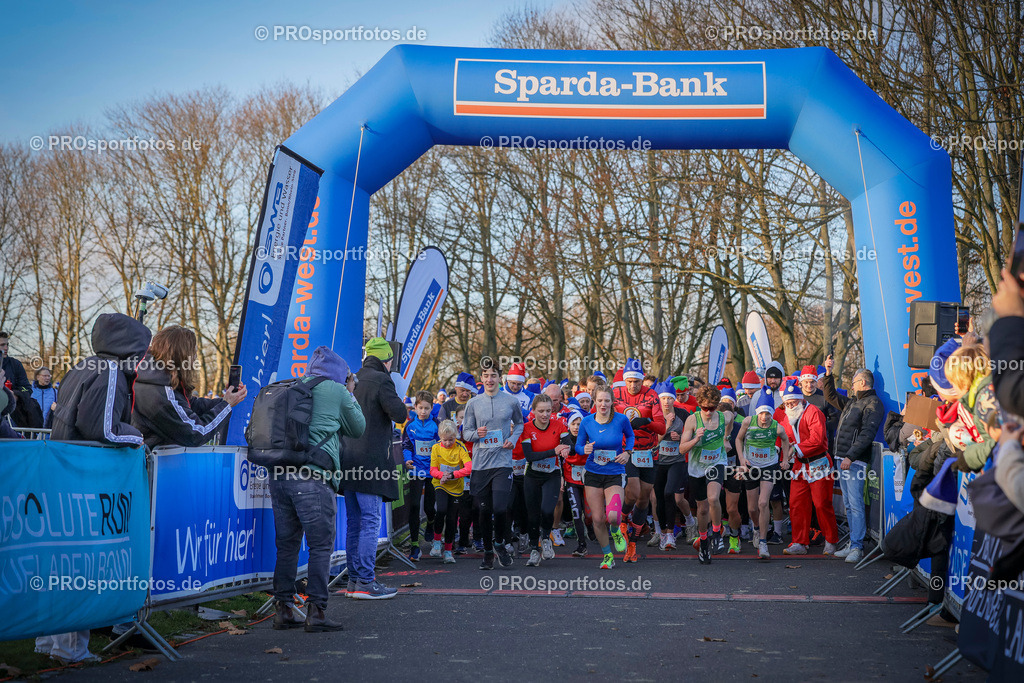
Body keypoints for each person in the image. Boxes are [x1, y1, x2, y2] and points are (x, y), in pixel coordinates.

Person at [270, 346, 365, 630]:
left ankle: (283, 609)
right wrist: (349, 391)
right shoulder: (337, 391)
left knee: (286, 546)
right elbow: (358, 427)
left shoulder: (294, 387)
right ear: (340, 375)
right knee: (320, 546)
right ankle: (317, 612)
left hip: (280, 475)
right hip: (313, 477)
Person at [341, 337, 407, 599]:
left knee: (354, 523)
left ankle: (354, 581)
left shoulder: (352, 377)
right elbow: (399, 414)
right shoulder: (382, 380)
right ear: (385, 360)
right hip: (371, 462)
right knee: (370, 521)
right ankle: (366, 582)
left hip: (347, 459)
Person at [131, 326, 245, 448]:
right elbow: (196, 434)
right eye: (193, 353)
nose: (195, 358)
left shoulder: (155, 379)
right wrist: (226, 405)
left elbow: (188, 405)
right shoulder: (161, 394)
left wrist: (226, 400)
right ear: (182, 356)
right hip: (149, 463)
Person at [463, 359, 525, 570]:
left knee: (500, 508)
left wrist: (513, 439)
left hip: (502, 463)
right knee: (483, 511)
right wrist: (475, 434)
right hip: (480, 465)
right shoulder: (473, 403)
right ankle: (488, 552)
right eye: (486, 375)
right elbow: (465, 432)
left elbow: (520, 424)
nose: (490, 379)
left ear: (500, 378)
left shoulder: (510, 402)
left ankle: (500, 543)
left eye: (493, 375)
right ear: (481, 378)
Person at [821, 358, 884, 563]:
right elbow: (830, 396)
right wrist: (828, 373)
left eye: (854, 382)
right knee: (849, 504)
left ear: (863, 383)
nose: (852, 386)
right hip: (842, 458)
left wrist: (850, 456)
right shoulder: (852, 402)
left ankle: (857, 547)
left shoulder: (873, 403)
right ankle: (853, 543)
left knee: (855, 504)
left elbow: (868, 434)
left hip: (853, 460)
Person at [777, 380, 839, 556]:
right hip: (799, 465)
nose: (789, 406)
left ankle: (831, 540)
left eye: (792, 403)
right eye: (787, 403)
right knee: (796, 504)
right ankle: (799, 542)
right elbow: (782, 437)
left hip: (818, 462)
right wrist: (780, 452)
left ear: (800, 399)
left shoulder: (814, 412)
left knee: (821, 504)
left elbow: (818, 439)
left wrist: (794, 449)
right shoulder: (785, 415)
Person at [576, 386, 634, 569]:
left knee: (614, 516)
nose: (603, 404)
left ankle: (616, 530)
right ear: (594, 401)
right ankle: (608, 555)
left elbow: (631, 436)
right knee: (598, 519)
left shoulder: (621, 419)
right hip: (593, 473)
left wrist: (628, 453)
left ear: (612, 402)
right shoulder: (586, 422)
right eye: (600, 400)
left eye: (607, 400)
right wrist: (583, 449)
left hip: (614, 473)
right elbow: (578, 445)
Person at [614, 358, 665, 563]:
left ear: (642, 380)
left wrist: (648, 422)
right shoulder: (616, 395)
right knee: (632, 490)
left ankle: (632, 544)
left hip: (649, 453)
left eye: (637, 381)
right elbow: (597, 415)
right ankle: (622, 520)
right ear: (624, 381)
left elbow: (662, 428)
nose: (633, 385)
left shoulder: (651, 395)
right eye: (629, 381)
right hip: (628, 451)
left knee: (644, 498)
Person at [679, 385, 734, 564]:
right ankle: (703, 543)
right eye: (705, 408)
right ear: (699, 405)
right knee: (702, 509)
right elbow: (681, 449)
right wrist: (695, 439)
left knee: (713, 498)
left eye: (712, 408)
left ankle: (717, 532)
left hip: (716, 463)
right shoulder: (692, 420)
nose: (708, 412)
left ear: (717, 405)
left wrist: (726, 438)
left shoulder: (723, 416)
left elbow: (731, 417)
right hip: (696, 468)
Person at [736, 394, 792, 560]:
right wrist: (741, 460)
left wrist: (785, 460)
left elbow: (785, 441)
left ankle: (762, 543)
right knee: (752, 508)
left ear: (772, 414)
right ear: (757, 413)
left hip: (769, 465)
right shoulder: (748, 421)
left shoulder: (777, 427)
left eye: (768, 413)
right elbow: (739, 440)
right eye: (761, 413)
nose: (764, 417)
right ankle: (756, 527)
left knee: (763, 503)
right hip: (751, 465)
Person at [522, 393, 569, 566]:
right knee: (533, 515)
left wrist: (566, 449)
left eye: (548, 411)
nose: (544, 414)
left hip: (552, 474)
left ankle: (546, 539)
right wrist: (554, 451)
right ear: (533, 411)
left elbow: (567, 443)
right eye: (541, 411)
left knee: (548, 510)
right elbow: (530, 456)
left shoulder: (558, 425)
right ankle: (534, 549)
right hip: (533, 475)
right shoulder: (527, 428)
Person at [652, 381, 694, 549]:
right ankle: (662, 532)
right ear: (659, 400)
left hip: (677, 461)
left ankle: (670, 535)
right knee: (659, 498)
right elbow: (653, 442)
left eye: (670, 398)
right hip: (657, 462)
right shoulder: (654, 415)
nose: (667, 402)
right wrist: (667, 426)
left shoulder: (683, 414)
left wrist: (682, 437)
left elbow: (691, 438)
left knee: (670, 494)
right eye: (664, 398)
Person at [402, 390, 440, 561]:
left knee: (429, 507)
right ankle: (415, 545)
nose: (423, 411)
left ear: (432, 408)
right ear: (415, 408)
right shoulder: (410, 426)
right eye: (420, 408)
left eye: (427, 408)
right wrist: (408, 460)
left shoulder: (437, 425)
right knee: (414, 506)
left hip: (432, 471)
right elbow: (406, 445)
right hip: (416, 470)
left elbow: (442, 446)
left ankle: (431, 524)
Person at [429, 419, 472, 564]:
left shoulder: (460, 447)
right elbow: (433, 470)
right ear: (440, 437)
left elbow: (469, 467)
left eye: (451, 440)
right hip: (440, 484)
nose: (448, 443)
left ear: (457, 437)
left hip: (456, 486)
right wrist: (442, 476)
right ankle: (436, 541)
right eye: (445, 440)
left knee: (452, 518)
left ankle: (448, 551)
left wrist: (453, 475)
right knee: (441, 510)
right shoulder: (436, 448)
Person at [561, 410, 591, 557]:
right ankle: (581, 545)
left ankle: (591, 529)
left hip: (589, 480)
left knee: (590, 515)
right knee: (576, 512)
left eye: (579, 424)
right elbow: (559, 459)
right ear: (568, 425)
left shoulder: (589, 437)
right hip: (571, 480)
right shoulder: (564, 439)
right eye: (573, 423)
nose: (576, 427)